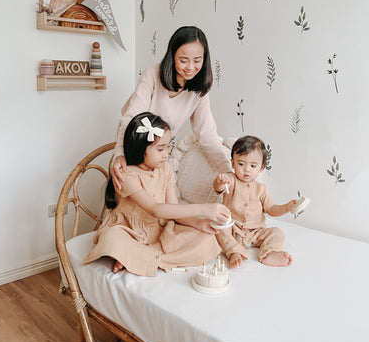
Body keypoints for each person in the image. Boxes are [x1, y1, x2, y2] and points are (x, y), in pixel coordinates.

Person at [84, 112, 231, 276]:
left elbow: (173, 209)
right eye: (160, 149)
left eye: (167, 146)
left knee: (208, 239)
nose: (167, 153)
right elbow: (156, 209)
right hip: (129, 232)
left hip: (159, 233)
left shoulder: (165, 169)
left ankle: (141, 258)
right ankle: (137, 256)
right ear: (140, 149)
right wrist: (204, 209)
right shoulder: (127, 175)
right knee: (111, 238)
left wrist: (198, 223)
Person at [110, 26, 231, 191]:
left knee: (159, 203)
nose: (190, 67)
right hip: (134, 148)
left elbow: (207, 135)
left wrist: (229, 171)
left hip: (157, 155)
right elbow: (131, 118)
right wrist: (120, 155)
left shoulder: (199, 90)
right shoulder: (152, 75)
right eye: (183, 60)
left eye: (197, 60)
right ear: (172, 56)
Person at [212, 135, 297, 268]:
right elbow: (219, 188)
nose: (246, 169)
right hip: (233, 229)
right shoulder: (231, 179)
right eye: (241, 164)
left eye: (253, 165)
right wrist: (220, 182)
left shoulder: (261, 189)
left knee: (277, 233)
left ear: (261, 168)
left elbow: (272, 209)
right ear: (233, 163)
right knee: (219, 228)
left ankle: (267, 254)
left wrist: (287, 207)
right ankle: (234, 252)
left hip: (256, 232)